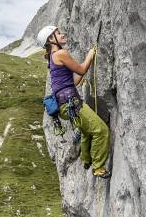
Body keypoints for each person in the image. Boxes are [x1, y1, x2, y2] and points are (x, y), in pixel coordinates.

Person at [36, 25, 111, 178]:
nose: (62, 34)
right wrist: (90, 55)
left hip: (65, 106)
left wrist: (86, 67)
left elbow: (75, 80)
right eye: (58, 33)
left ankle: (86, 159)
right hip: (72, 104)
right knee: (101, 131)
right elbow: (81, 70)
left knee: (86, 131)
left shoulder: (52, 58)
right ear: (51, 39)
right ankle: (98, 167)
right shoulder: (61, 53)